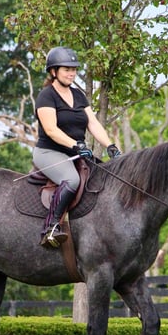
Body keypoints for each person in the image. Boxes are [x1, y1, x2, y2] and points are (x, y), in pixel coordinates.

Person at [33, 46, 121, 248]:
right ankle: (51, 228)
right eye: (66, 69)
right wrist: (76, 144)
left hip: (75, 153)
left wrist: (110, 146)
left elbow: (93, 123)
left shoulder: (79, 95)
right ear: (54, 71)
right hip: (49, 152)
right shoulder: (46, 96)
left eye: (74, 69)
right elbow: (51, 129)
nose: (72, 73)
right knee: (71, 180)